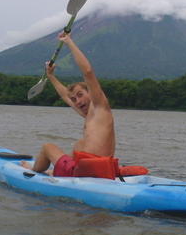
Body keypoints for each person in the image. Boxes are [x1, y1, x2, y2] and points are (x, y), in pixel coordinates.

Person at [21, 30, 115, 177]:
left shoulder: (100, 106)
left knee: (47, 147)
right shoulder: (90, 115)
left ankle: (31, 171)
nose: (77, 101)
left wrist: (68, 41)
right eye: (74, 99)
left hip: (89, 172)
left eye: (80, 95)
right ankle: (54, 171)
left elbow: (88, 72)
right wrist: (51, 76)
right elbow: (66, 95)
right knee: (80, 144)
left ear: (91, 92)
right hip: (98, 171)